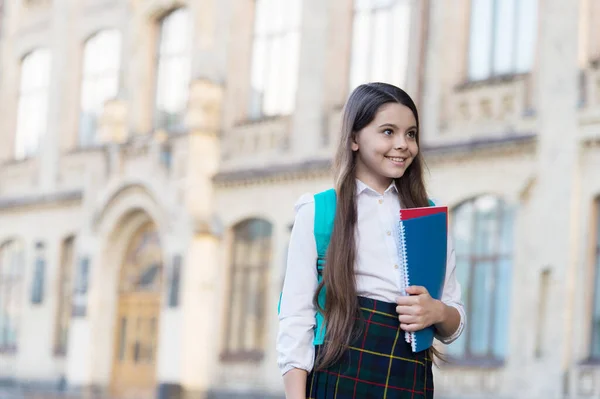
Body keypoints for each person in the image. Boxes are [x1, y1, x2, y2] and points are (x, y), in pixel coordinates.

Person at [276, 82, 466, 399]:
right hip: (337, 372)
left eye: (411, 134)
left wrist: (436, 312)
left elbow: (454, 317)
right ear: (353, 138)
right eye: (388, 131)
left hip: (410, 375)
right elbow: (295, 318)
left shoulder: (429, 216)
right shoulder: (319, 212)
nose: (403, 144)